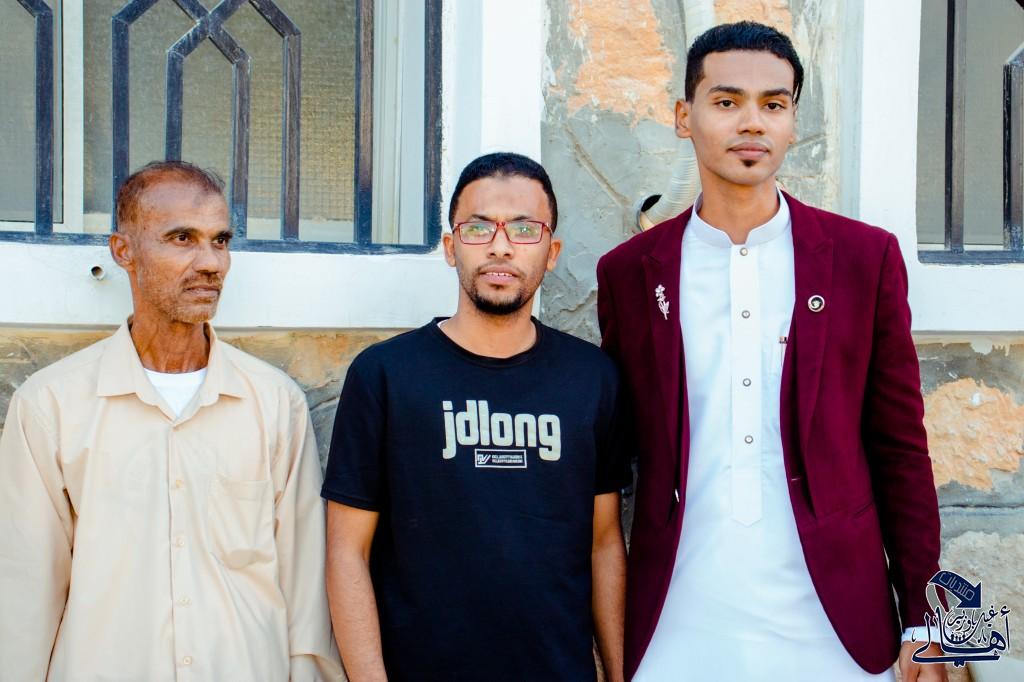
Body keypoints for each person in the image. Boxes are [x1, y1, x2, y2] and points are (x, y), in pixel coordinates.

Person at [596, 22, 945, 682]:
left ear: (792, 123)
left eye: (773, 104)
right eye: (727, 101)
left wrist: (930, 625)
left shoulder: (864, 259)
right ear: (684, 116)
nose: (751, 122)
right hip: (676, 630)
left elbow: (902, 449)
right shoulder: (630, 273)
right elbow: (617, 464)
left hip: (839, 633)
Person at [0, 161, 343, 681]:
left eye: (220, 241)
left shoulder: (275, 404)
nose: (210, 263)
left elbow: (305, 596)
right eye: (182, 238)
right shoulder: (52, 406)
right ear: (124, 251)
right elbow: (25, 594)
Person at [323, 152, 630, 681]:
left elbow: (605, 543)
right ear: (451, 247)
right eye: (478, 227)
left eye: (525, 229)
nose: (501, 246)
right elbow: (347, 551)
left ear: (552, 252)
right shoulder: (385, 375)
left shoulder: (592, 378)